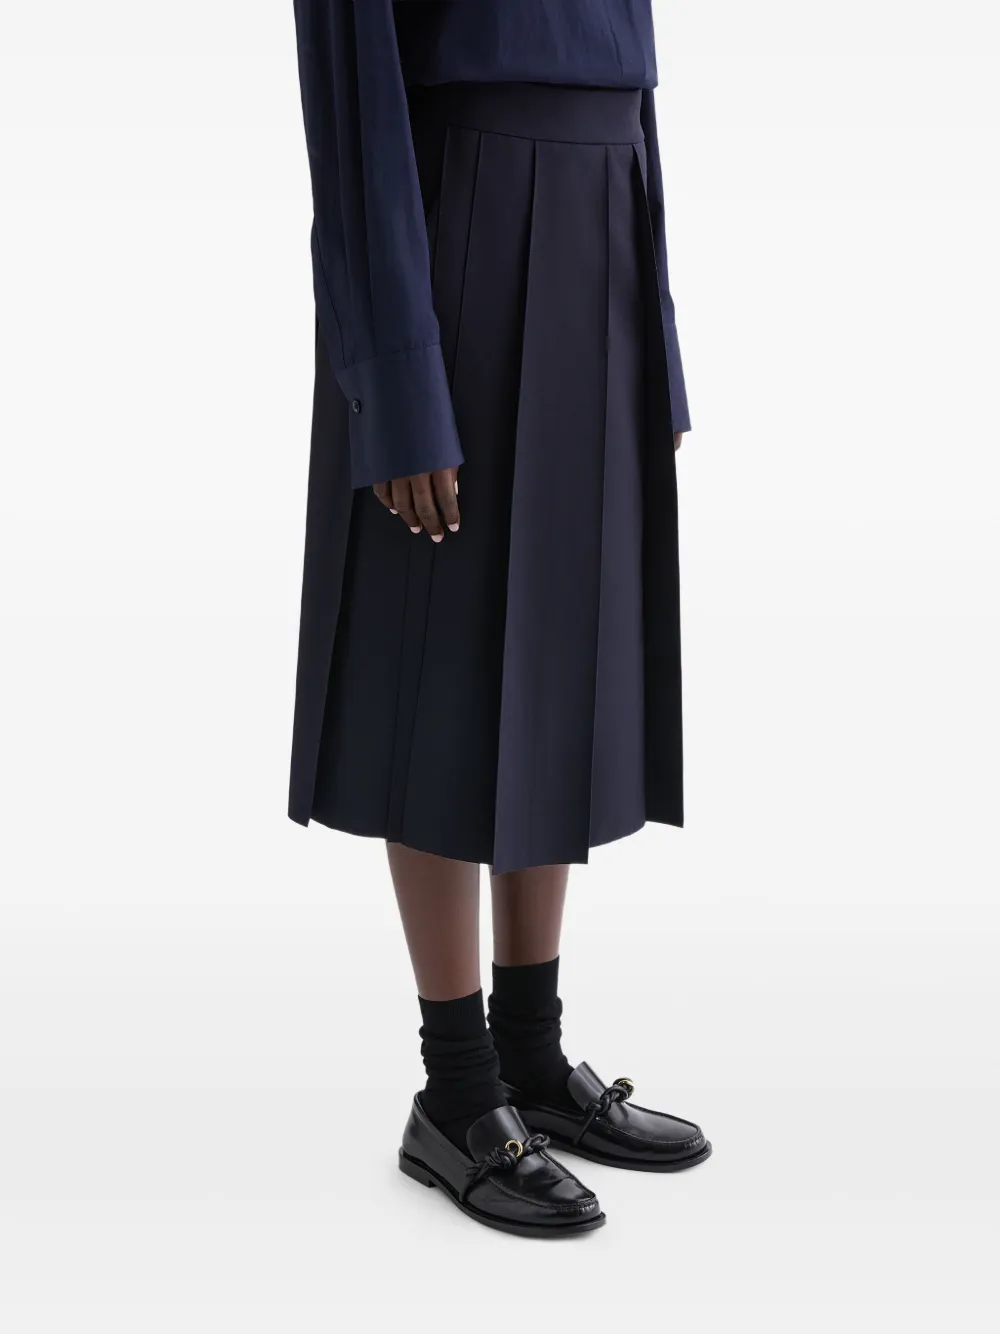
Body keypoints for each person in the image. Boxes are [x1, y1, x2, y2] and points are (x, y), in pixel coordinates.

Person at [288, 0, 710, 1237]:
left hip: (601, 221)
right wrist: (395, 377)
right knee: (443, 663)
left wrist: (656, 328)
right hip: (454, 216)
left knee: (560, 651)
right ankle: (457, 1088)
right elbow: (348, 93)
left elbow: (633, 76)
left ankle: (530, 1050)